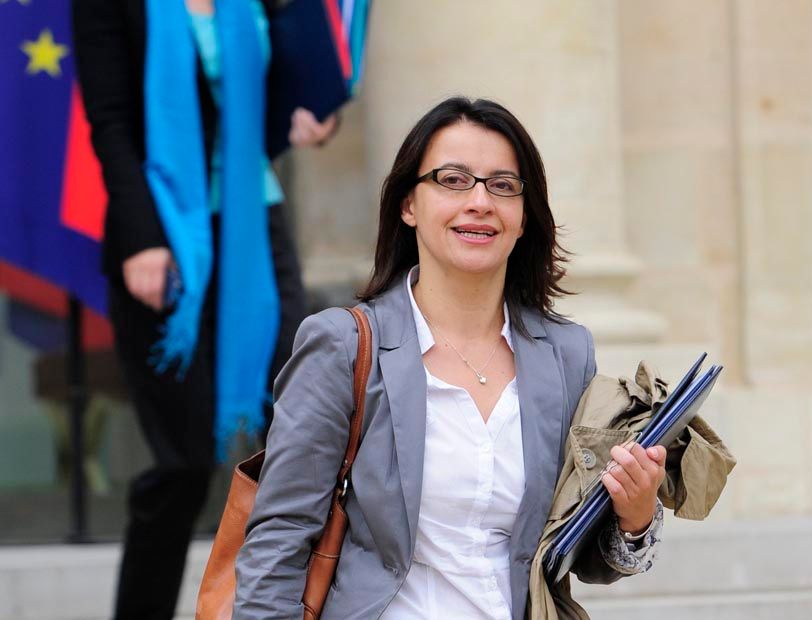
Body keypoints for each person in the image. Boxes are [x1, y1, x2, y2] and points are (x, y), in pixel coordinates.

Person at [234, 97, 667, 619]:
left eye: (502, 185)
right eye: (453, 180)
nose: (479, 201)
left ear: (523, 217)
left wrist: (634, 515)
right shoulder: (342, 346)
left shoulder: (567, 355)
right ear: (408, 205)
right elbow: (279, 536)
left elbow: (578, 557)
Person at [71, 1, 339, 618]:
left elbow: (292, 86)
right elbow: (110, 123)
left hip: (256, 231)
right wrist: (142, 238)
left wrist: (316, 117)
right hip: (164, 236)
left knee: (300, 437)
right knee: (184, 464)